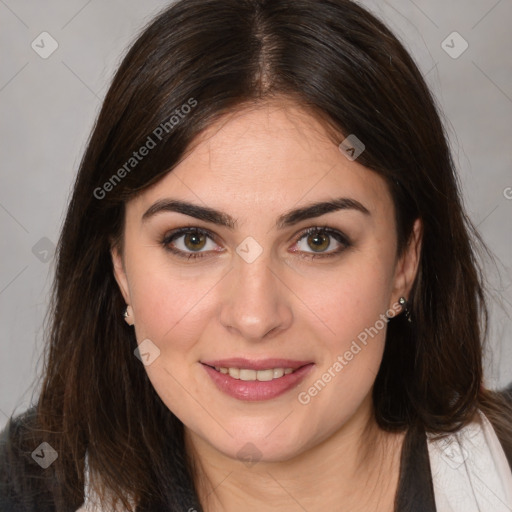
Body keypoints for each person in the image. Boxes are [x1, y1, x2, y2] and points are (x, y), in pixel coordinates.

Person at [1, 0, 511, 510]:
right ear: (120, 266)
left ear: (405, 262)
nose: (254, 316)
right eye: (193, 240)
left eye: (318, 240)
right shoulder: (28, 489)